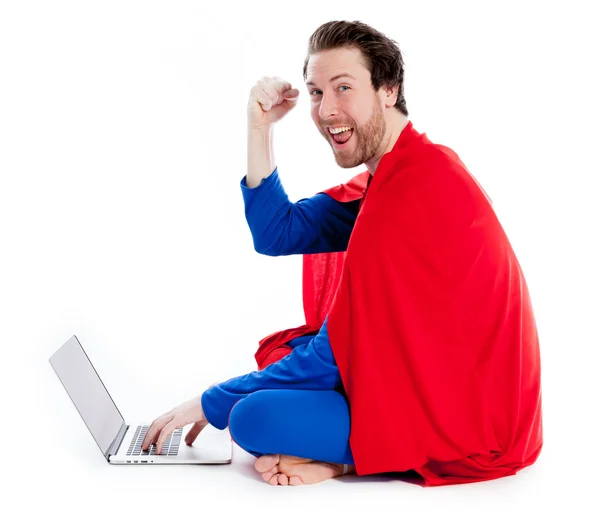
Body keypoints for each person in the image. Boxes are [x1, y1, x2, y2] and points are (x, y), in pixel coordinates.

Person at [141, 20, 543, 487]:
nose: (327, 110)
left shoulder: (415, 189)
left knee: (251, 417)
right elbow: (277, 232)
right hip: (428, 380)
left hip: (467, 419)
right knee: (279, 358)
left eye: (343, 88)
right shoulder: (393, 176)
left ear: (388, 91)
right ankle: (348, 457)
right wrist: (259, 127)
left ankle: (353, 461)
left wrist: (210, 402)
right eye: (315, 92)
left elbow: (329, 357)